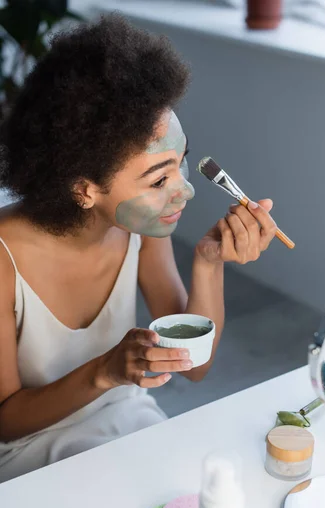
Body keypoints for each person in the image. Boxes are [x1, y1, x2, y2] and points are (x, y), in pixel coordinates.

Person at [0, 15, 277, 482]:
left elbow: (194, 368)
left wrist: (209, 264)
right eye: (159, 178)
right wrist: (105, 370)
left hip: (125, 419)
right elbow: (6, 422)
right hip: (28, 453)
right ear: (85, 189)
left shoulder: (140, 231)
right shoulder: (5, 257)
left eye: (181, 164)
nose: (184, 190)